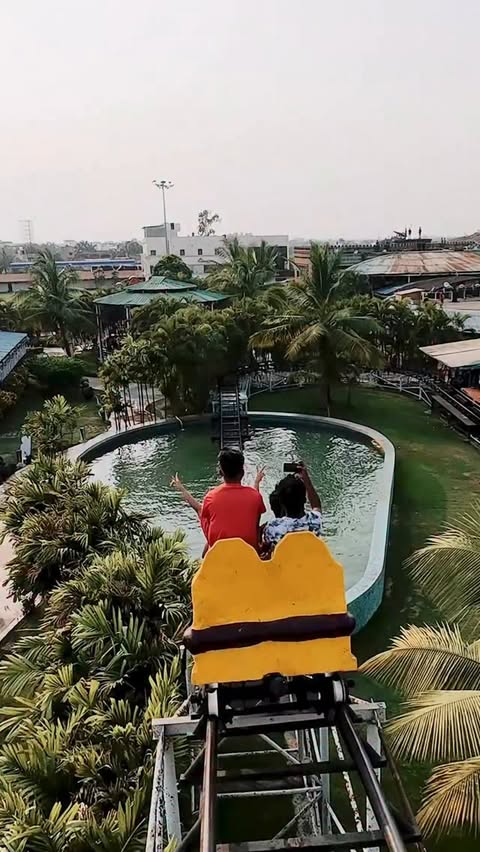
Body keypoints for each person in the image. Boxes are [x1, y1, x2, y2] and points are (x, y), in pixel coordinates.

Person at [172, 449, 266, 551]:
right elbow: (255, 510)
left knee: (203, 512)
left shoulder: (211, 496)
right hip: (248, 549)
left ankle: (208, 547)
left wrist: (181, 489)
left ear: (221, 472)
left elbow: (199, 510)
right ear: (242, 473)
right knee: (254, 512)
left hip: (218, 549)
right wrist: (256, 482)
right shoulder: (255, 496)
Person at [263, 463, 322, 551]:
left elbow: (265, 547)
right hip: (310, 558)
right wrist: (306, 478)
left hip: (284, 560)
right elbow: (316, 505)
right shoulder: (315, 521)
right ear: (304, 499)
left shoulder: (273, 527)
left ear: (281, 503)